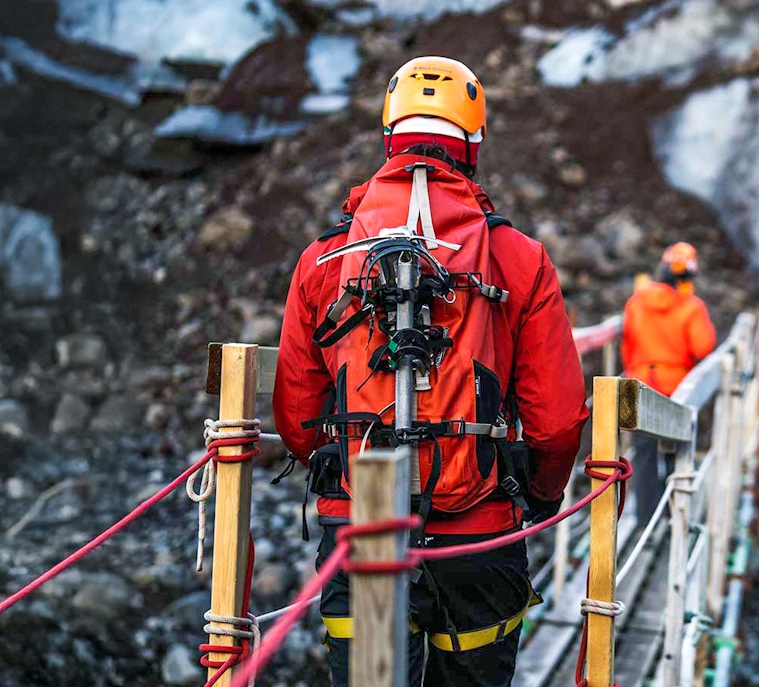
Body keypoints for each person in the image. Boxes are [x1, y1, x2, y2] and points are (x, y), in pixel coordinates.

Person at [272, 56, 588, 687]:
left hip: (361, 528)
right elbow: (555, 420)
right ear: (473, 141)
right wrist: (540, 495)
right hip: (479, 533)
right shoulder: (519, 259)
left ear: (389, 135)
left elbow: (298, 414)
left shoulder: (322, 260)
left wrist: (342, 471)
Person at [620, 241, 717, 521]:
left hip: (638, 385)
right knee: (677, 451)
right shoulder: (691, 306)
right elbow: (703, 347)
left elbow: (628, 345)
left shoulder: (636, 301)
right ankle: (675, 515)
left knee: (643, 454)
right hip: (676, 388)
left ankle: (645, 522)